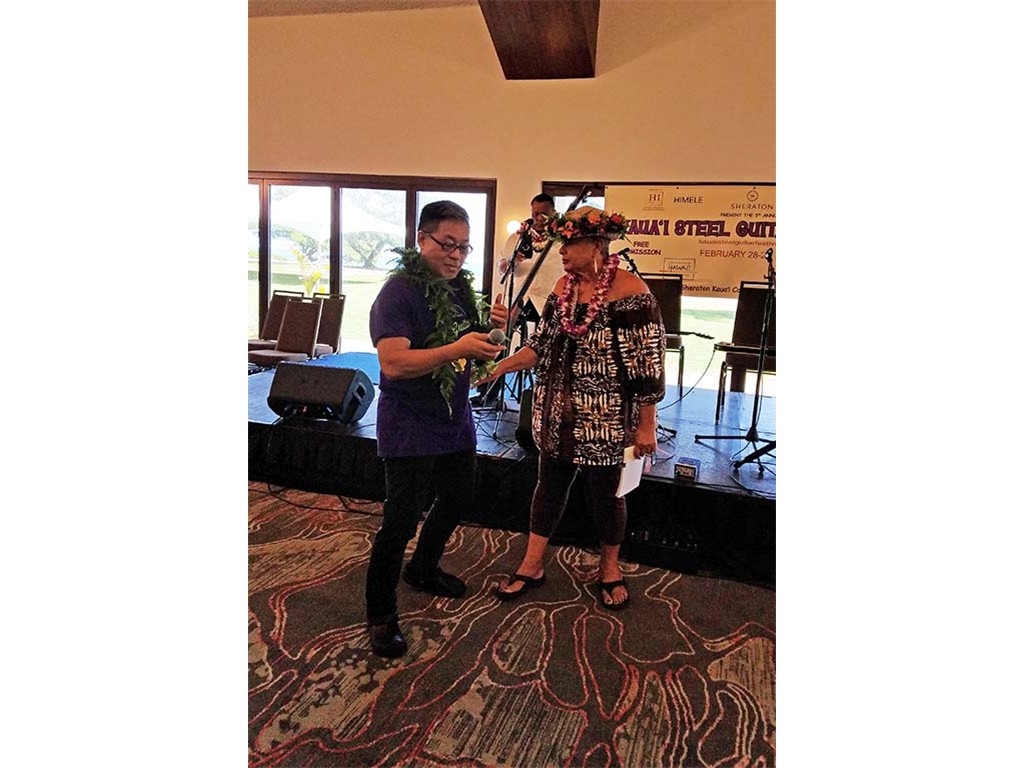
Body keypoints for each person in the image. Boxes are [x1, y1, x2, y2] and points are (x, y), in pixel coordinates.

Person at [478, 206, 665, 610]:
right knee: (548, 488)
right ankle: (532, 565)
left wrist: (645, 425)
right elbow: (540, 345)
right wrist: (501, 366)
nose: (561, 251)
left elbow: (647, 365)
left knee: (607, 495)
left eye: (570, 243)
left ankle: (609, 568)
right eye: (561, 243)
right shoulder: (563, 287)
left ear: (597, 244)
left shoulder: (631, 291)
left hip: (606, 418)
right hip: (555, 413)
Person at [365, 200, 509, 658]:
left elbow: (466, 341)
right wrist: (456, 349)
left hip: (453, 416)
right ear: (421, 239)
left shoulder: (459, 286)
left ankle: (422, 568)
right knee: (400, 521)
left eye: (464, 247)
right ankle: (380, 614)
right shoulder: (398, 292)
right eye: (448, 244)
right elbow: (394, 362)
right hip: (409, 421)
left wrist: (491, 330)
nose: (456, 255)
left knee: (459, 497)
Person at [497, 193, 564, 329]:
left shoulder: (562, 239)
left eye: (544, 214)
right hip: (519, 299)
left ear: (554, 213)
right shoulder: (517, 237)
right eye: (535, 214)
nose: (539, 218)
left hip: (549, 301)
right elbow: (501, 269)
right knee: (506, 334)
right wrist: (512, 260)